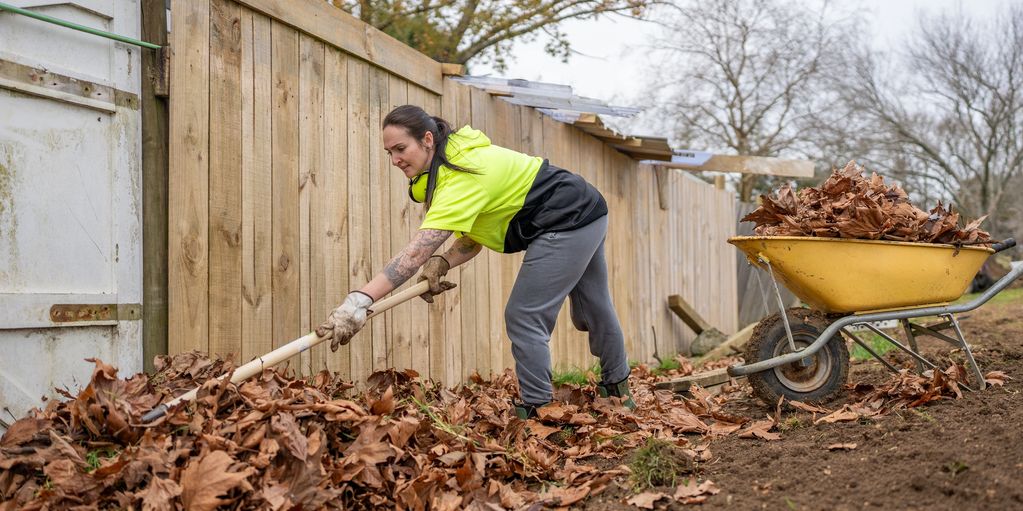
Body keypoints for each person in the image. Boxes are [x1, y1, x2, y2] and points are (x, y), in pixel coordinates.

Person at [316, 104, 634, 418]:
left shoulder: (460, 176)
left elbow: (414, 255)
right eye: (389, 152)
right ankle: (618, 392)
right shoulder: (450, 156)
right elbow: (474, 238)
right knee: (592, 307)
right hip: (586, 206)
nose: (395, 160)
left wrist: (360, 300)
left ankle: (538, 410)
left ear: (427, 139)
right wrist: (444, 261)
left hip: (566, 220)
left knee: (525, 315)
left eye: (401, 148)